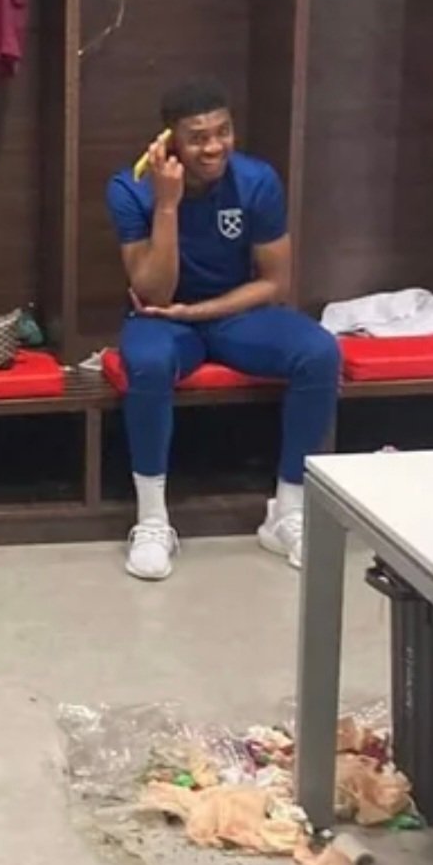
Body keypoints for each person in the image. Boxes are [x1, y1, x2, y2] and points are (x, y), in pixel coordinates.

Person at [107, 78, 341, 581]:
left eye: (223, 132)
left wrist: (199, 312)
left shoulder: (257, 180)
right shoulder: (130, 188)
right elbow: (155, 294)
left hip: (235, 315)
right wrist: (167, 204)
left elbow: (275, 282)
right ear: (170, 140)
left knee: (319, 351)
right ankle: (153, 521)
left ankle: (288, 512)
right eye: (197, 137)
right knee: (147, 361)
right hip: (161, 321)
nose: (214, 147)